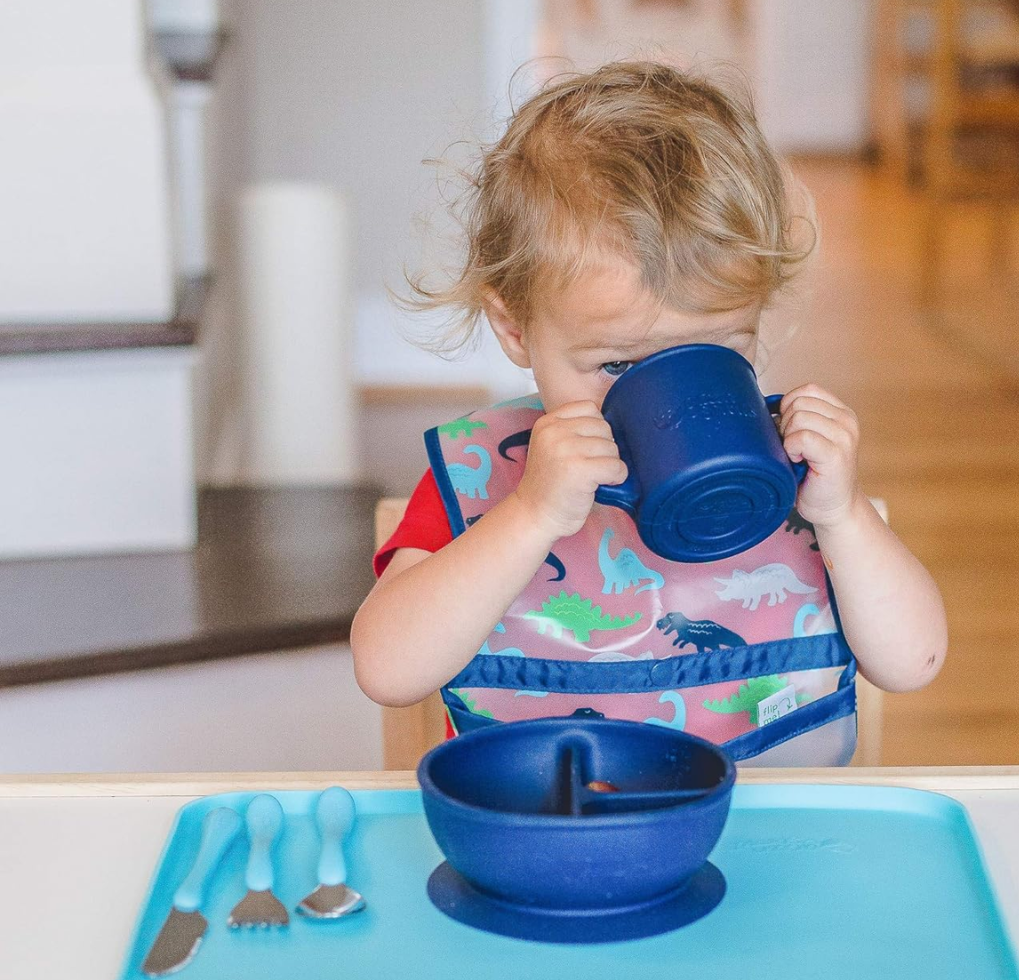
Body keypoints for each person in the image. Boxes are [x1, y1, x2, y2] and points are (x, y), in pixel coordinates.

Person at [352, 61, 946, 766]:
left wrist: (845, 516)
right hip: (546, 833)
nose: (668, 403)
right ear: (516, 330)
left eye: (718, 348)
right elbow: (388, 672)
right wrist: (531, 515)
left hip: (767, 833)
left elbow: (915, 662)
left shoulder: (791, 461)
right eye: (619, 367)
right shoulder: (487, 475)